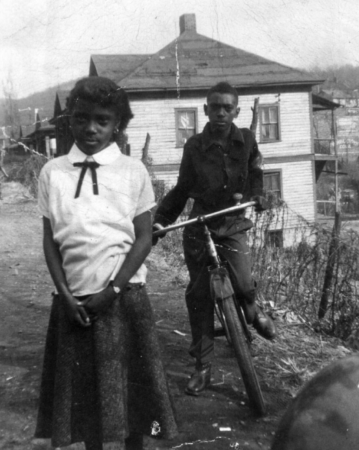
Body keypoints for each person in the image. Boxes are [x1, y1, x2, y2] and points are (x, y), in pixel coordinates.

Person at [34, 76, 177, 450]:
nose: (91, 129)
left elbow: (143, 238)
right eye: (82, 119)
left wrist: (113, 290)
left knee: (131, 404)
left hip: (123, 298)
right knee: (86, 404)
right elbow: (50, 240)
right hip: (74, 303)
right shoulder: (53, 173)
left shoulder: (132, 171)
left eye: (102, 120)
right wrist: (64, 295)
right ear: (70, 120)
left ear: (118, 124)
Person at [153, 82, 276, 396]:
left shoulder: (246, 140)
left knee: (245, 282)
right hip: (201, 226)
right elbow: (182, 189)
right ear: (205, 110)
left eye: (227, 107)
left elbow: (256, 172)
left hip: (232, 223)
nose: (221, 112)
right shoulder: (194, 146)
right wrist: (160, 221)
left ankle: (251, 310)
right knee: (199, 297)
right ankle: (203, 366)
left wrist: (258, 196)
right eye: (215, 106)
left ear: (236, 110)